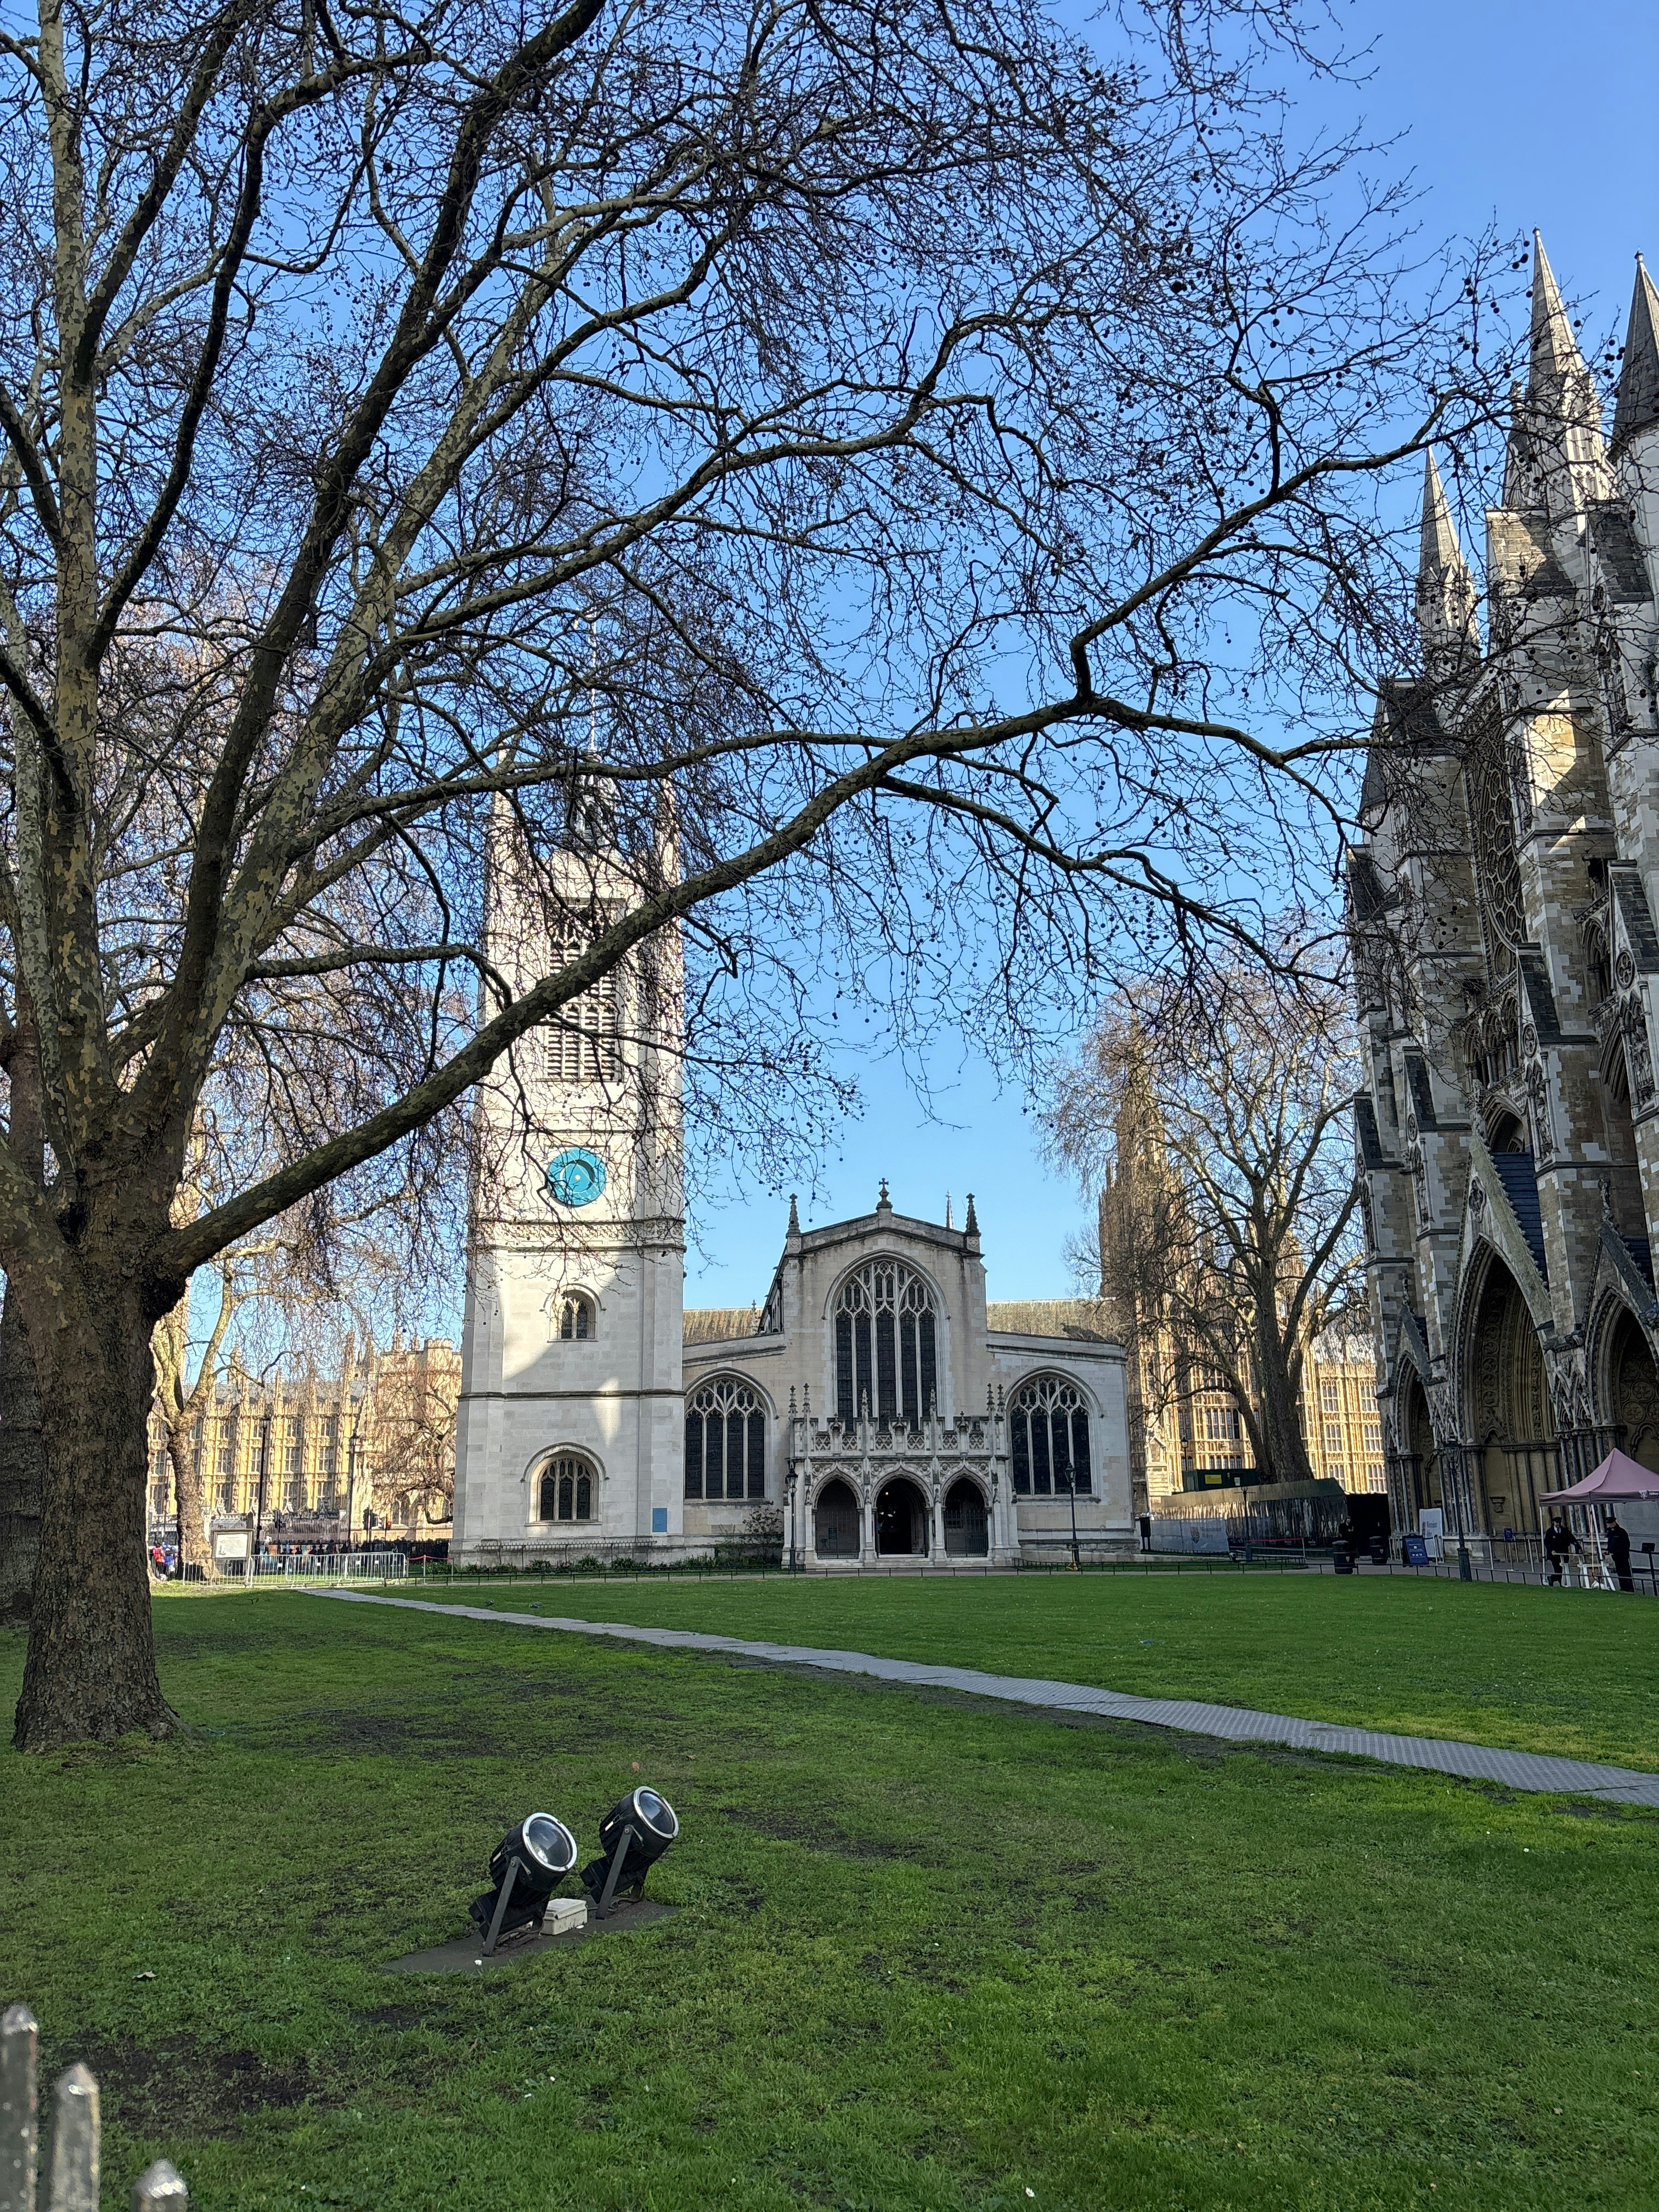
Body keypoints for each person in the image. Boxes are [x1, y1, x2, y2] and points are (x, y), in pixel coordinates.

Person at [1543, 1513, 1582, 1586]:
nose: (1558, 1524)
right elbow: (1547, 1543)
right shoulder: (1550, 1532)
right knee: (1558, 1569)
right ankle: (1559, 1581)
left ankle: (1553, 1579)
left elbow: (1572, 1539)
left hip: (1564, 1552)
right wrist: (1551, 1550)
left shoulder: (1564, 1531)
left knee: (1563, 1568)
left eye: (1559, 1523)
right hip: (1554, 1554)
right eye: (1557, 1523)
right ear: (1554, 1523)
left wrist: (1578, 1547)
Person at [1605, 1511, 1635, 1594]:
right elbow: (1610, 1543)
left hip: (1623, 1555)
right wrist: (1608, 1550)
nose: (1610, 1525)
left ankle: (1629, 1587)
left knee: (1626, 1571)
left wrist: (1625, 1553)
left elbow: (1626, 1544)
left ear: (1614, 1523)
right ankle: (1623, 1586)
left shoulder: (1621, 1532)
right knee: (1620, 1572)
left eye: (1611, 1523)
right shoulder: (1611, 1533)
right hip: (1616, 1555)